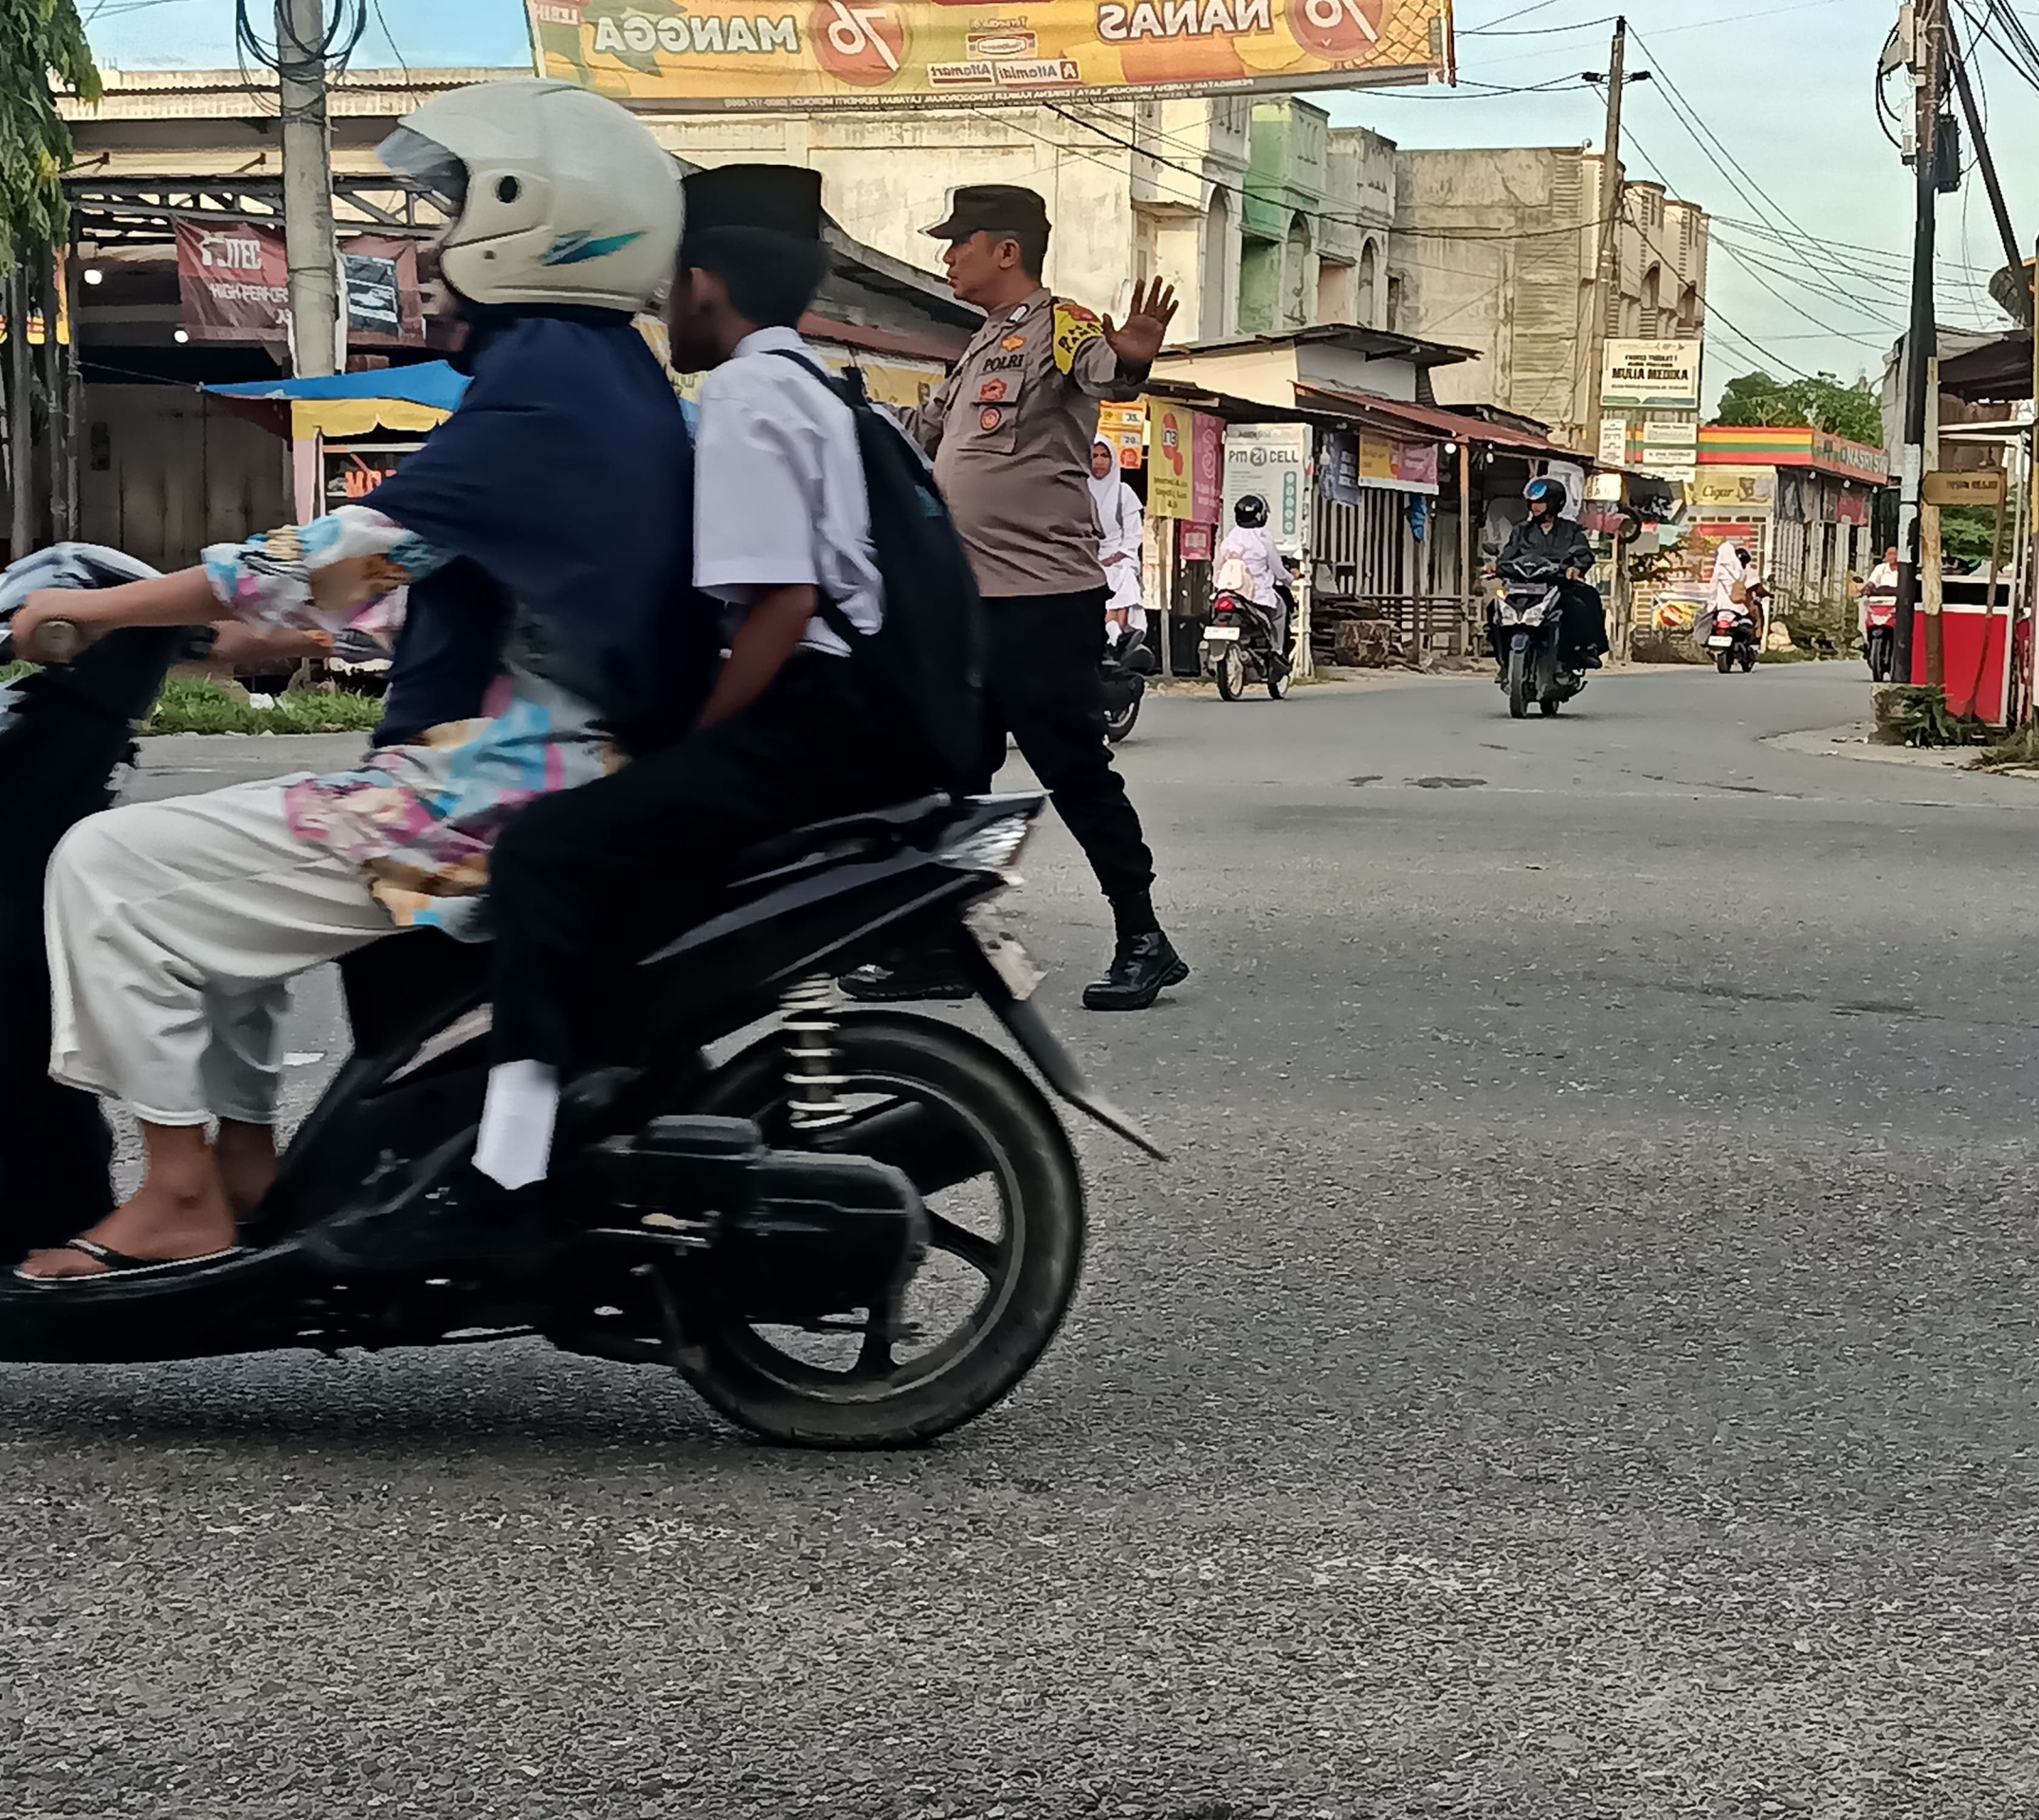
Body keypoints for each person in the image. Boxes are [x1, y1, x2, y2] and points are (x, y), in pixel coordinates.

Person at [6, 78, 707, 1285]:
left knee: (107, 869)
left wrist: (92, 608)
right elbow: (428, 556)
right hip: (545, 769)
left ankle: (177, 1192)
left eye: (451, 215)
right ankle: (240, 1170)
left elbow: (322, 554)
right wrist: (288, 630)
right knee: (208, 894)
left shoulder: (546, 381)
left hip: (496, 799)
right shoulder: (598, 377)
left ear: (525, 219)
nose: (430, 253)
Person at [458, 162, 959, 1202]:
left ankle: (509, 1166)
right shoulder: (818, 383)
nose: (659, 308)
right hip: (876, 719)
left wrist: (696, 740)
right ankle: (641, 1095)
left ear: (704, 284)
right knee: (640, 873)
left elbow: (777, 604)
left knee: (546, 855)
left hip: (819, 724)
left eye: (666, 285)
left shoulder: (743, 392)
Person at [847, 184, 1187, 1012]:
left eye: (960, 242)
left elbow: (1111, 374)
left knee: (1074, 769)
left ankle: (1143, 938)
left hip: (1041, 597)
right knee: (952, 772)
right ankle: (943, 943)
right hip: (967, 601)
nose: (947, 256)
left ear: (1007, 250)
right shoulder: (976, 348)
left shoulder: (1059, 322)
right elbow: (924, 436)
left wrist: (1135, 352)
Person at [1487, 477, 1605, 674]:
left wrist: (1576, 568)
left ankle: (1586, 650)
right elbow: (1508, 555)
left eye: (1540, 502)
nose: (1535, 507)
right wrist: (1495, 567)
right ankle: (1504, 658)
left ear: (1554, 503)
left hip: (1558, 585)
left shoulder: (1571, 530)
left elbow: (1583, 554)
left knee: (1586, 599)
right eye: (1533, 502)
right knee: (1494, 608)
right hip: (1522, 587)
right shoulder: (1521, 530)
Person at [1213, 493, 1292, 657]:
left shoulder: (1229, 539)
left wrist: (1218, 587)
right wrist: (1289, 579)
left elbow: (1217, 566)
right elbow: (1278, 570)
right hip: (1258, 595)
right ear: (1261, 515)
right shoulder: (1264, 539)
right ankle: (1277, 650)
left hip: (1227, 593)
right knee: (1280, 611)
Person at [1092, 435, 1146, 644]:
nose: (1099, 461)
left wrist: (1114, 559)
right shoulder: (1079, 491)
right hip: (1084, 558)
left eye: (1104, 456)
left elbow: (1133, 536)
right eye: (1094, 455)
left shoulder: (1124, 493)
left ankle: (1117, 640)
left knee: (1124, 576)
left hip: (1118, 556)